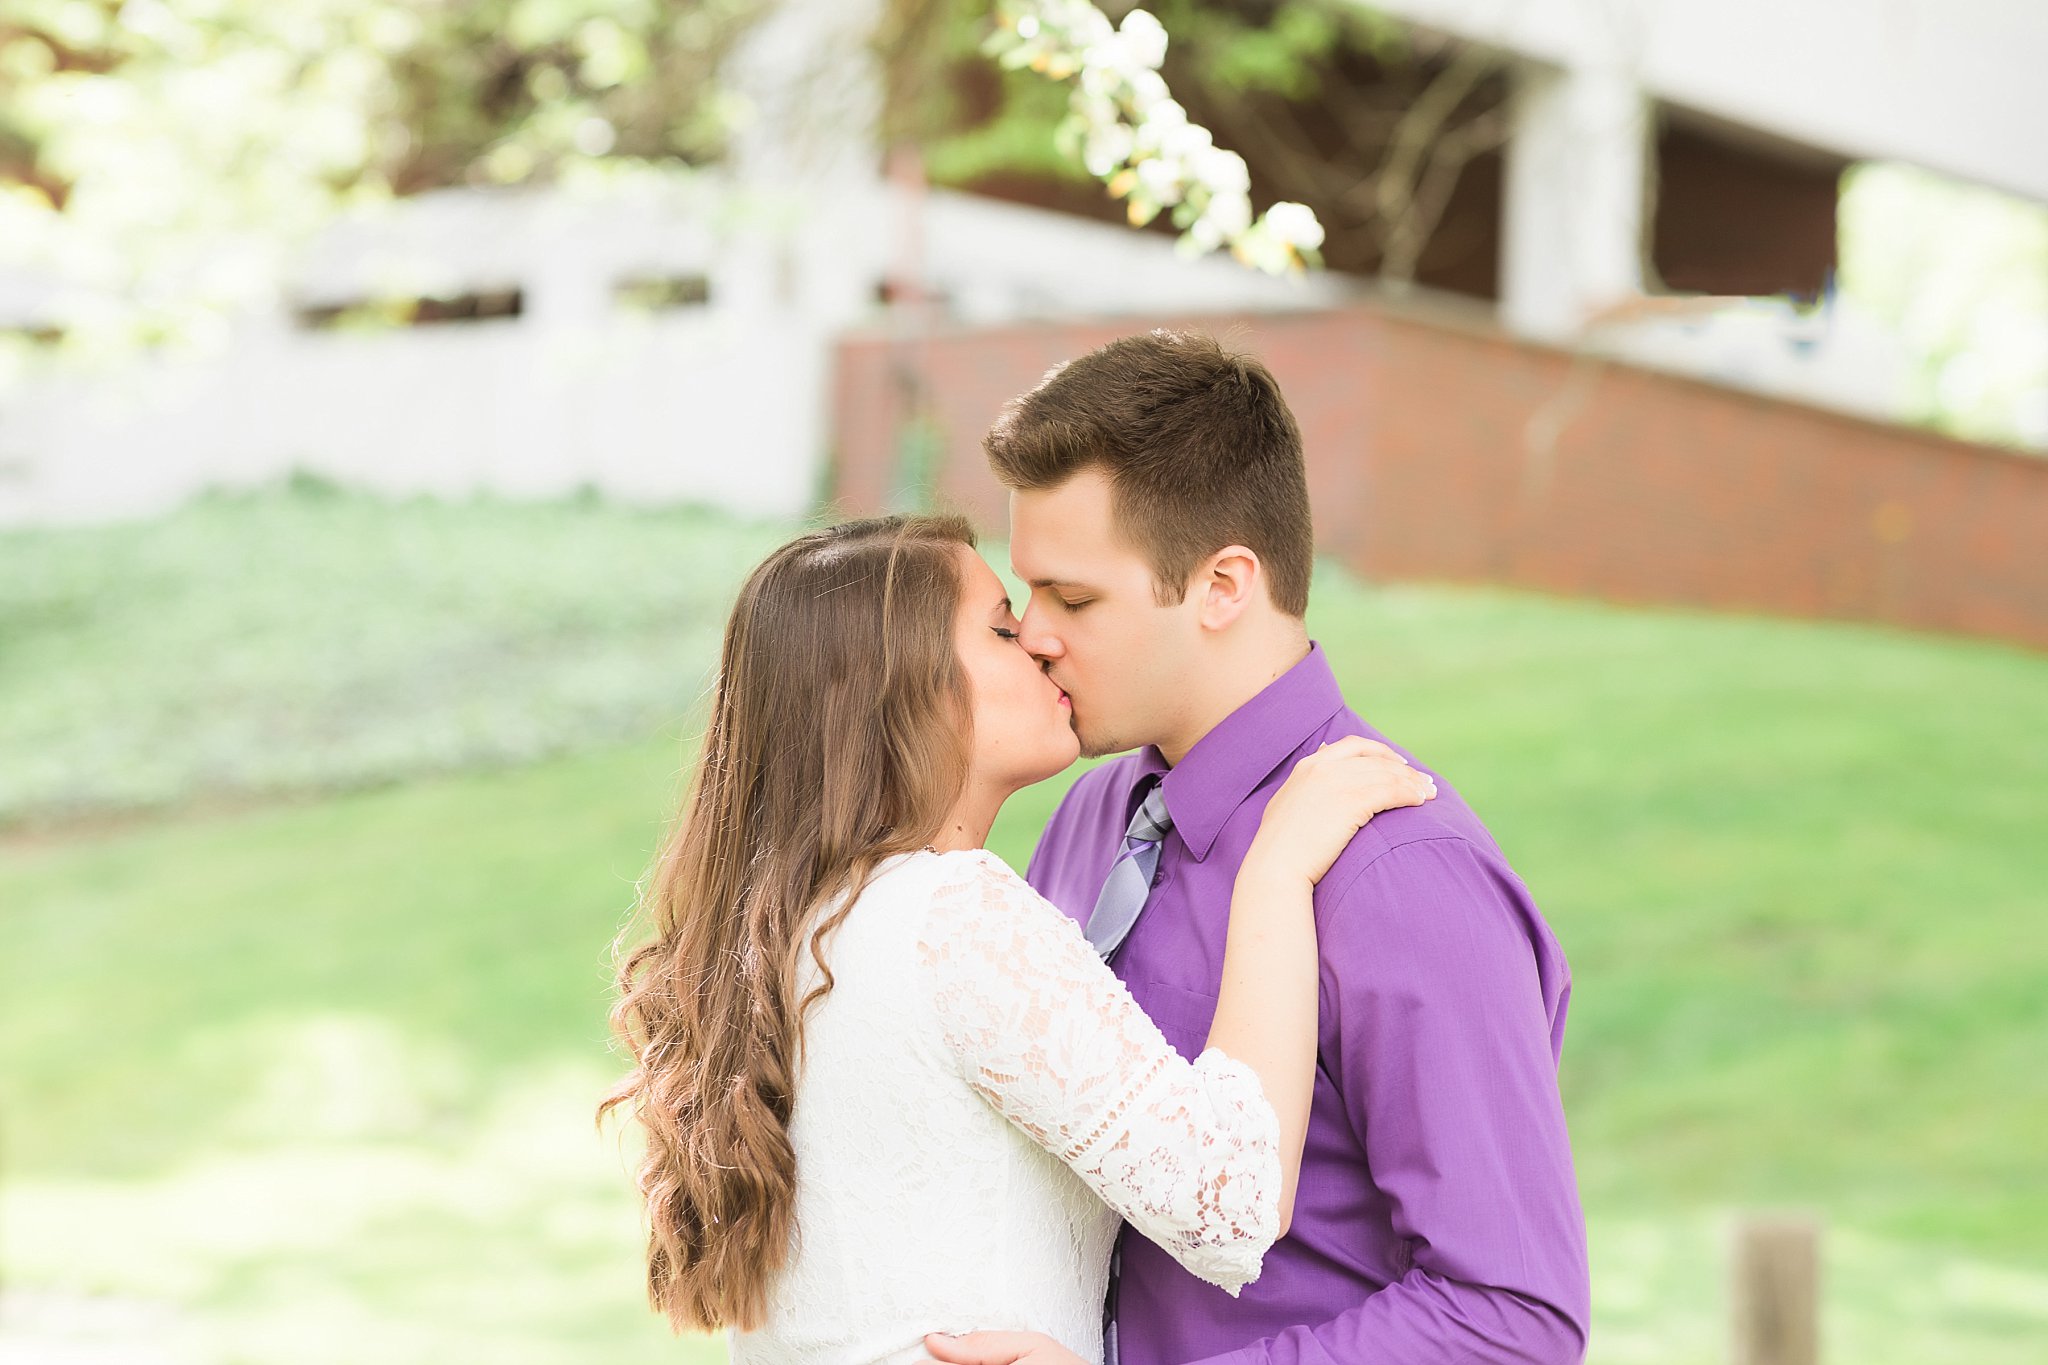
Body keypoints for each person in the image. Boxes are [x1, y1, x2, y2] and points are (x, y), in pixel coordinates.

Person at [599, 513, 1438, 1364]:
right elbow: (1230, 1204)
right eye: (1003, 626)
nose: (1040, 641)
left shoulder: (796, 928)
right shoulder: (954, 915)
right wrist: (1278, 869)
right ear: (903, 690)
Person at [924, 330, 1590, 1365]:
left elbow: (1509, 1318)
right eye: (1029, 594)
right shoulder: (1090, 817)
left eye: (1075, 599)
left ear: (1223, 586)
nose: (1037, 634)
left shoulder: (1401, 872)